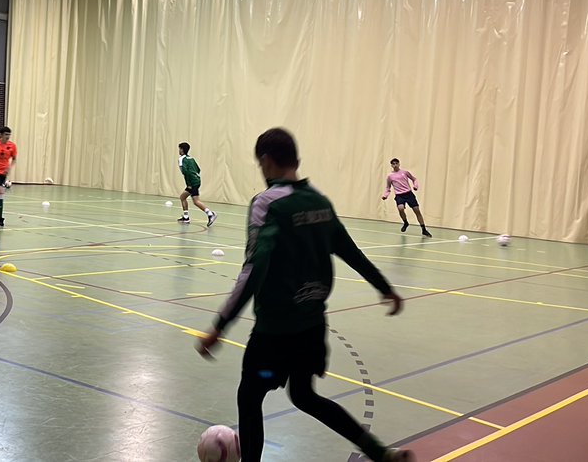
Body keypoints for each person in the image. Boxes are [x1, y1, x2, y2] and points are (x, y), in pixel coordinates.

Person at [197, 128, 412, 462]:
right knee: (303, 395)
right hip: (312, 329)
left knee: (250, 397)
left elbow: (254, 267)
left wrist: (220, 325)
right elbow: (348, 249)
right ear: (296, 159)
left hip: (275, 333)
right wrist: (384, 288)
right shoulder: (319, 202)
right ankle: (380, 453)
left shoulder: (266, 203)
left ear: (266, 161)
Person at [382, 158, 430, 237]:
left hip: (408, 194)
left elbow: (414, 179)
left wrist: (415, 186)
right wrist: (385, 195)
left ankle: (424, 229)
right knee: (400, 208)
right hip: (399, 195)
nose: (395, 165)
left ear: (399, 164)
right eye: (393, 164)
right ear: (391, 165)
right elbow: (388, 187)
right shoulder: (390, 176)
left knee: (417, 210)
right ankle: (405, 222)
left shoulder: (405, 172)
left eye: (396, 163)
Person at [177, 142, 216, 226]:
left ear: (182, 150)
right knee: (183, 197)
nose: (179, 150)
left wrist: (189, 184)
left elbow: (185, 172)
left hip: (192, 182)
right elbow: (198, 169)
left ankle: (210, 214)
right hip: (196, 180)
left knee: (195, 201)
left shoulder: (181, 159)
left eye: (179, 149)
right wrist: (196, 177)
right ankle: (186, 217)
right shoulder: (191, 158)